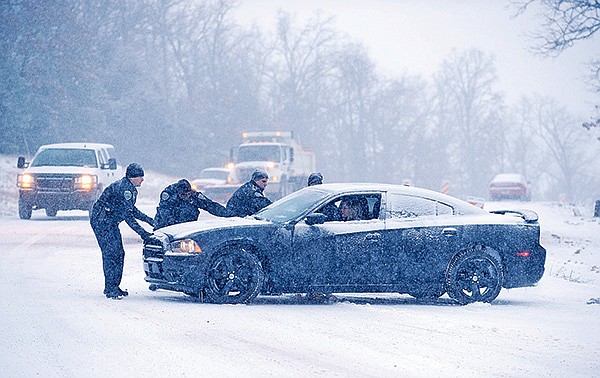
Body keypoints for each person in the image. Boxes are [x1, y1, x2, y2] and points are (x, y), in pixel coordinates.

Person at [90, 163, 154, 300]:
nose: (142, 179)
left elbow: (131, 210)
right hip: (102, 221)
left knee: (118, 253)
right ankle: (111, 288)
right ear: (132, 177)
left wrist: (149, 220)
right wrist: (144, 234)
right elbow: (128, 216)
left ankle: (113, 286)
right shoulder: (125, 189)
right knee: (112, 254)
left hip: (108, 221)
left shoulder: (127, 187)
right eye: (140, 176)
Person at [153, 178, 235, 230]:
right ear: (178, 193)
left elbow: (211, 206)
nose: (186, 197)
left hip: (187, 227)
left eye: (188, 194)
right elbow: (165, 213)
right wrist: (176, 226)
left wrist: (229, 214)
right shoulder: (168, 195)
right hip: (165, 226)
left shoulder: (194, 196)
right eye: (183, 195)